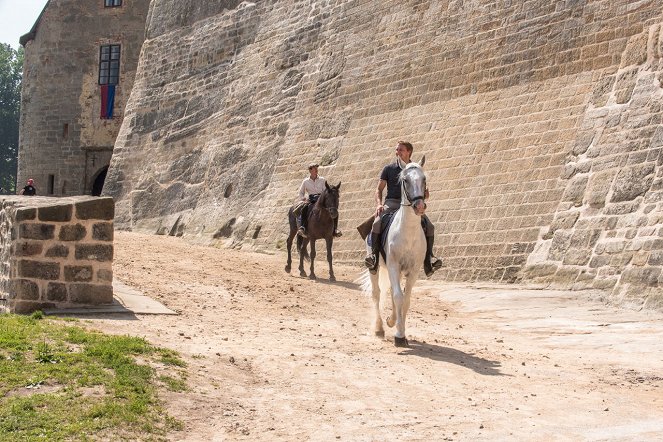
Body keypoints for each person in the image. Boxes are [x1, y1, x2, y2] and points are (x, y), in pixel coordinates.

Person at [364, 141, 442, 276]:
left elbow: (421, 190)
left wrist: (424, 196)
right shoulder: (389, 168)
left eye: (401, 150)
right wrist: (379, 204)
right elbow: (379, 189)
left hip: (410, 206)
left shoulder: (416, 169)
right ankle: (374, 258)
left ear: (408, 152)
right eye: (397, 150)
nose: (398, 152)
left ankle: (429, 260)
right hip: (392, 203)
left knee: (430, 227)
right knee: (376, 223)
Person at [296, 163, 342, 238]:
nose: (316, 169)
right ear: (310, 170)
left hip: (321, 199)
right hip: (311, 200)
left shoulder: (322, 180)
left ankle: (335, 229)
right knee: (304, 209)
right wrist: (303, 198)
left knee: (333, 210)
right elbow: (301, 192)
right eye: (314, 168)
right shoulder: (305, 181)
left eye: (317, 168)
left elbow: (326, 191)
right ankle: (303, 227)